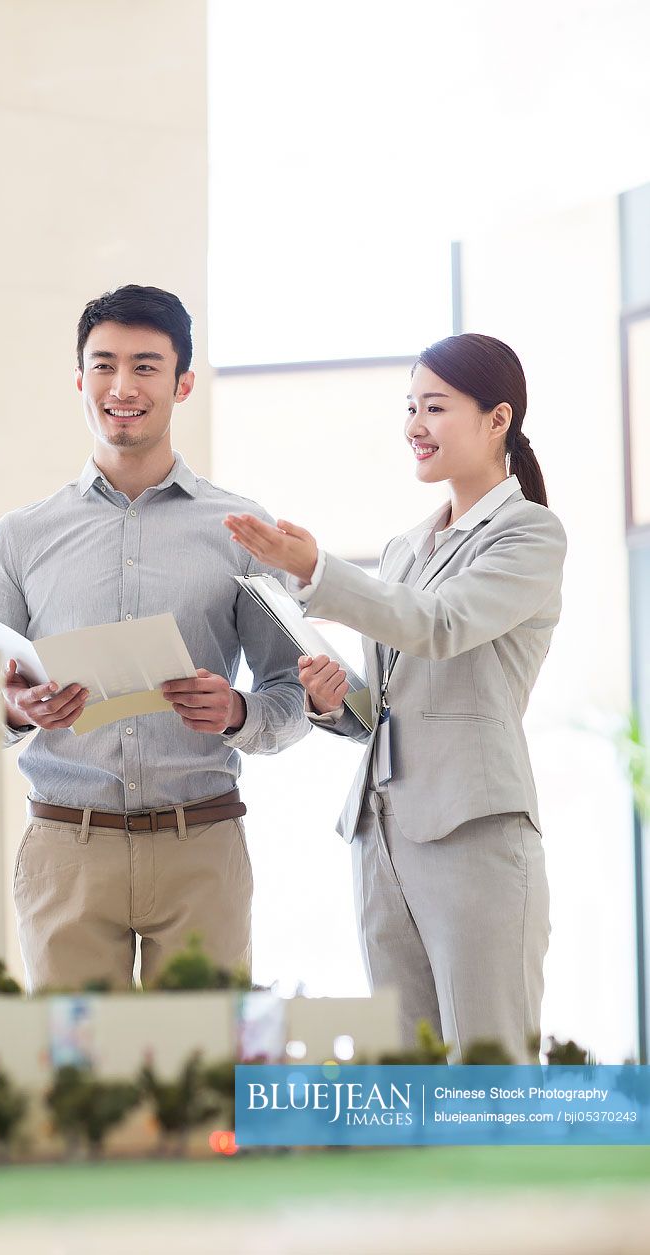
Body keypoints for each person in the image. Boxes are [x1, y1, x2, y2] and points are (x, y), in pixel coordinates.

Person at [224, 333, 566, 1062]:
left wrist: (318, 569)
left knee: (487, 1073)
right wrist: (331, 695)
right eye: (409, 405)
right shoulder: (405, 546)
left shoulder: (528, 534)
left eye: (434, 406)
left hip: (473, 832)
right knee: (408, 1077)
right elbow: (385, 701)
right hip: (380, 836)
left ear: (496, 418)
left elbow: (439, 627)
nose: (414, 424)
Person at [0, 284, 308, 993]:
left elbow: (293, 694)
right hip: (66, 850)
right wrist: (12, 710)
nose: (122, 386)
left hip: (202, 849)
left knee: (205, 1085)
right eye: (103, 365)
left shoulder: (241, 531)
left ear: (184, 382)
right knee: (80, 1092)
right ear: (79, 378)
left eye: (146, 366)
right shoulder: (18, 538)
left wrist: (238, 712)